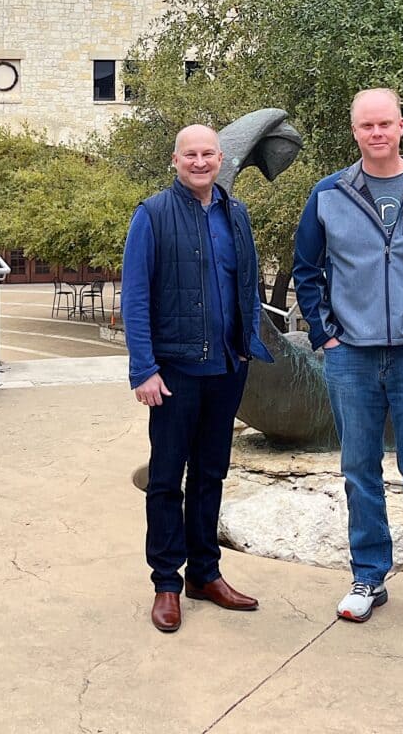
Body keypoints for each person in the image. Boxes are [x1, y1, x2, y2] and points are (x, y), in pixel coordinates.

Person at [292, 88, 403, 632]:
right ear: (354, 131)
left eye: (385, 124)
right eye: (366, 125)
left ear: (401, 126)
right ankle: (368, 575)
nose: (377, 133)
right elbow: (307, 270)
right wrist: (326, 334)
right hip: (351, 356)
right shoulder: (329, 194)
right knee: (358, 471)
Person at [122, 123, 274, 633]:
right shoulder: (152, 216)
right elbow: (137, 297)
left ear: (220, 159)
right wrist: (143, 369)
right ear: (176, 160)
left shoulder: (237, 213)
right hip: (173, 374)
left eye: (209, 153)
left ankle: (205, 574)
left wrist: (248, 342)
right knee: (166, 480)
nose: (201, 161)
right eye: (191, 154)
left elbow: (246, 282)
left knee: (211, 475)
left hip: (227, 369)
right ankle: (167, 582)